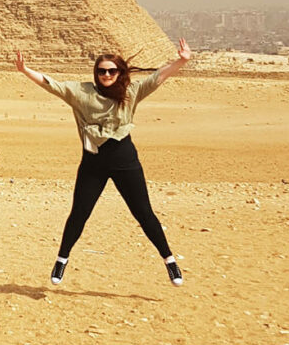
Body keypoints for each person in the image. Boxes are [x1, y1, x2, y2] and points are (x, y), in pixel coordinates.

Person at [16, 38, 192, 287]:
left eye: (111, 70)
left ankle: (170, 261)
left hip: (126, 162)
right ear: (95, 73)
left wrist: (181, 61)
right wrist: (25, 71)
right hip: (93, 165)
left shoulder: (130, 93)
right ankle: (61, 259)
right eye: (102, 71)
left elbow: (157, 78)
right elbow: (51, 84)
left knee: (144, 213)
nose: (107, 74)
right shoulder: (81, 92)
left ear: (119, 72)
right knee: (79, 214)